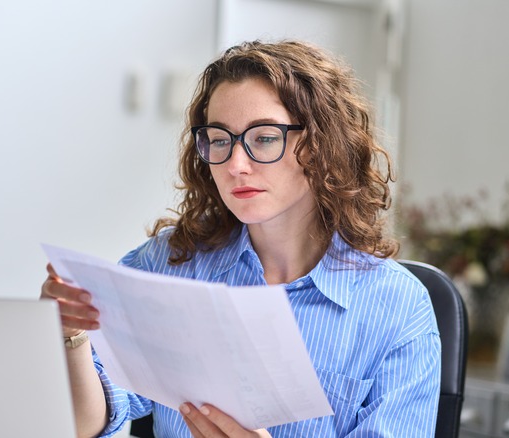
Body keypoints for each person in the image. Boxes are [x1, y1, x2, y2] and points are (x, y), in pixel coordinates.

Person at [42, 40, 441, 437]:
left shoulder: (400, 309)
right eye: (219, 139)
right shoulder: (169, 263)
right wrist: (68, 337)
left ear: (321, 146)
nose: (235, 165)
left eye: (264, 138)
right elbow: (85, 425)